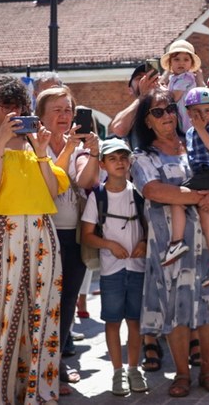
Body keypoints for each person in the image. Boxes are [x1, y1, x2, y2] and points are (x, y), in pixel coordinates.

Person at [0, 76, 68, 404]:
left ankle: (36, 395)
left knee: (43, 312)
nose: (12, 111)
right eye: (5, 105)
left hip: (41, 229)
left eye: (18, 105)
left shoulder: (36, 142)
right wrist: (0, 144)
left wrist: (43, 151)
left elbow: (52, 191)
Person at [130, 90, 209, 397]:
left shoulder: (198, 141)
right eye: (157, 113)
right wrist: (204, 197)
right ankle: (182, 375)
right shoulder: (142, 157)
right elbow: (155, 191)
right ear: (146, 122)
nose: (167, 116)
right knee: (177, 307)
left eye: (170, 109)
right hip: (172, 246)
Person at [33, 85, 101, 392]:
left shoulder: (81, 146)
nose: (64, 116)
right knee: (45, 304)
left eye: (68, 109)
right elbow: (54, 187)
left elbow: (87, 182)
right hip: (43, 234)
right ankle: (43, 369)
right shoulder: (34, 146)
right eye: (57, 110)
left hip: (74, 235)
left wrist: (93, 151)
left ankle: (57, 363)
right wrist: (68, 150)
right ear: (42, 116)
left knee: (68, 302)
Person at [81, 138, 149, 396]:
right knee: (112, 321)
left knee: (135, 321)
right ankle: (118, 371)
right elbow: (87, 235)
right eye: (113, 158)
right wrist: (109, 244)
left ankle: (134, 369)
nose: (119, 162)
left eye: (123, 157)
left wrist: (143, 241)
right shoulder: (98, 196)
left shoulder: (139, 192)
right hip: (111, 270)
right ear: (103, 164)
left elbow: (148, 225)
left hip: (137, 267)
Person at [161, 87, 209, 287]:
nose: (202, 116)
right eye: (196, 112)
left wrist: (201, 128)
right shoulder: (190, 133)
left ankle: (177, 242)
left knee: (177, 198)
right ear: (188, 113)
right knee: (206, 215)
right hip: (205, 177)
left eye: (207, 111)